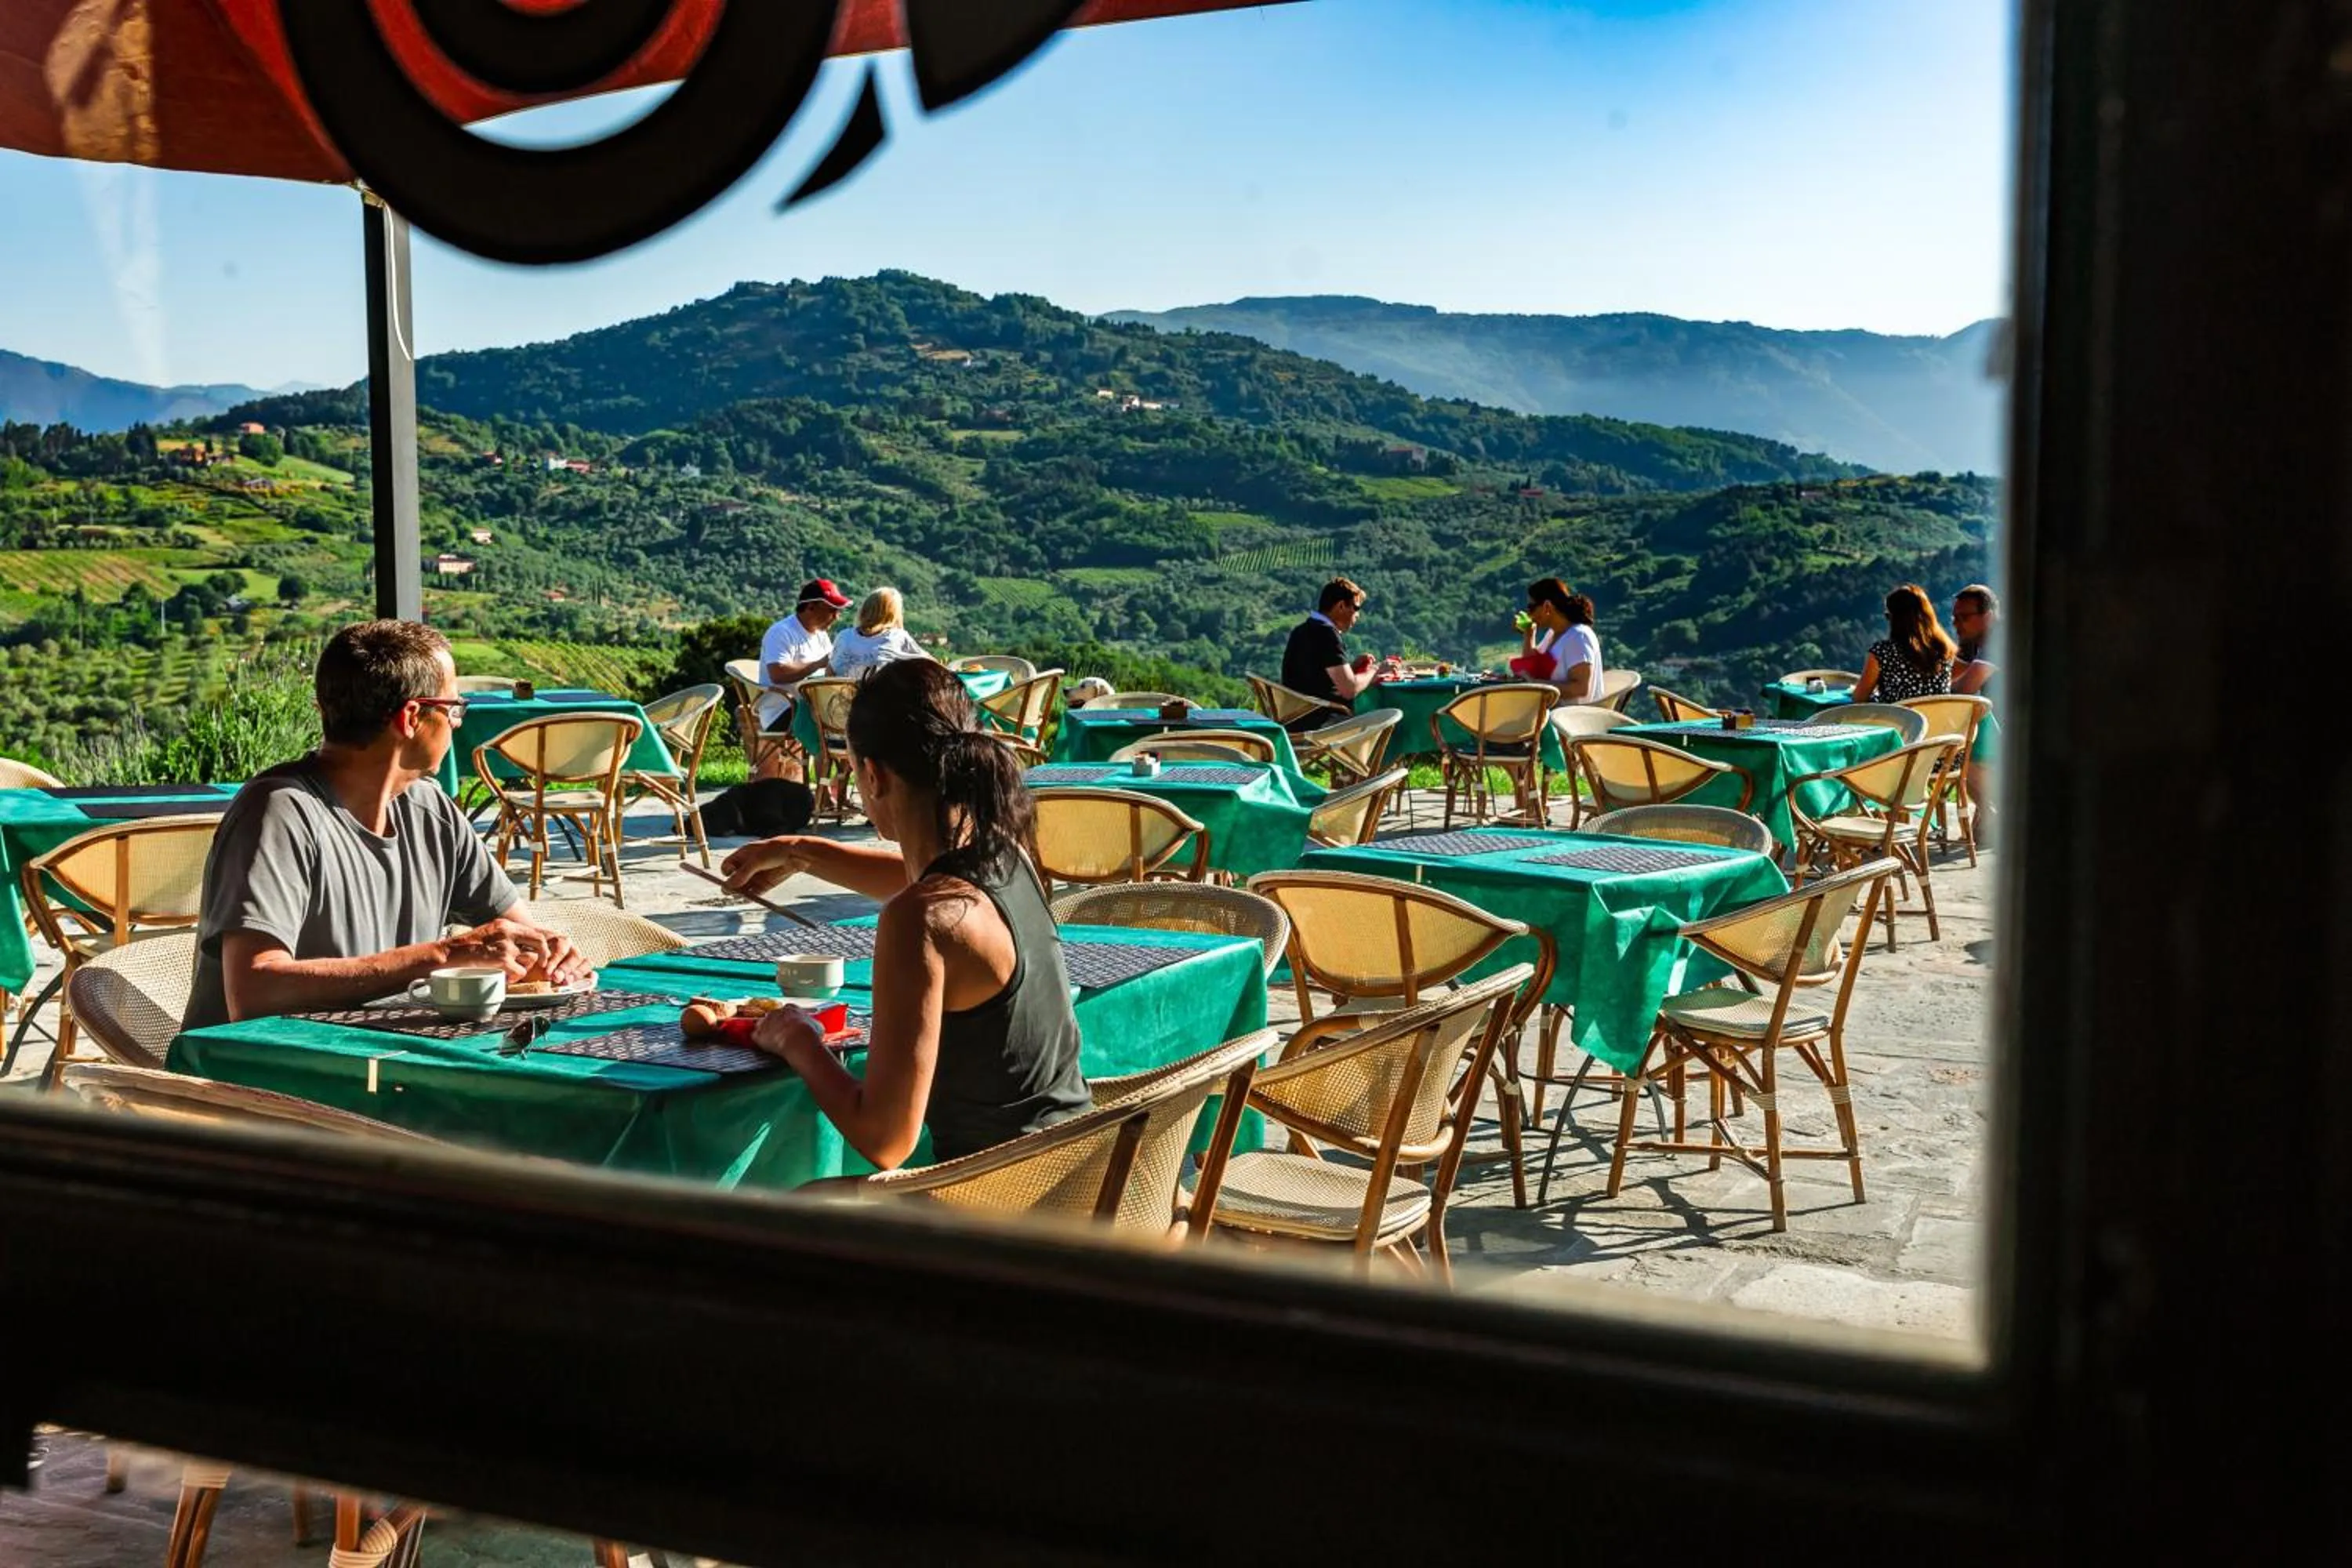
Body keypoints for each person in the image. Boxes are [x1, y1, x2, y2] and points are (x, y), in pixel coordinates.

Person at [720, 661, 1091, 1167]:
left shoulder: (919, 921)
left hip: (998, 1202)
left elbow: (886, 1140)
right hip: (1078, 1165)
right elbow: (927, 885)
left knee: (774, 1218)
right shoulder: (1006, 854)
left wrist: (799, 1041)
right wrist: (800, 850)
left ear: (872, 776)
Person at [183, 620, 589, 1031]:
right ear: (412, 717)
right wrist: (446, 955)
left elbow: (520, 936)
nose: (458, 723)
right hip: (264, 1079)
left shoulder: (432, 810)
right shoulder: (279, 812)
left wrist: (550, 956)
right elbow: (253, 993)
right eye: (454, 709)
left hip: (389, 1060)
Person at [753, 578, 851, 779]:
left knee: (852, 722)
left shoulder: (821, 635)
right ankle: (824, 796)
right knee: (828, 728)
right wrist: (816, 664)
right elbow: (777, 673)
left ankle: (834, 790)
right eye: (832, 610)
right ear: (811, 607)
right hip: (783, 709)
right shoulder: (781, 632)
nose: (837, 617)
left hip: (813, 705)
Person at [1279, 578, 1396, 723]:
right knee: (1389, 719)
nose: (1358, 615)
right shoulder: (1327, 635)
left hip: (1295, 718)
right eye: (1356, 608)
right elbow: (1349, 690)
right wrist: (1376, 670)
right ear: (1341, 606)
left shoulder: (1302, 630)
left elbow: (1316, 679)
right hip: (1321, 722)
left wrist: (1351, 669)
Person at [1951, 583, 2000, 846]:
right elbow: (1950, 672)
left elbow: (1966, 687)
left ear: (1988, 617)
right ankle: (1988, 815)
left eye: (1964, 617)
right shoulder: (1973, 642)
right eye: (1954, 617)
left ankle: (1992, 816)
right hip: (1990, 725)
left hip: (2015, 728)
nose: (1957, 623)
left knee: (1961, 752)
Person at [1852, 583, 1957, 702]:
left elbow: (1859, 697)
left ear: (1896, 619)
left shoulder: (1883, 653)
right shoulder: (1945, 650)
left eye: (1888, 616)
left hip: (1898, 719)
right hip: (1937, 719)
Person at [1519, 578, 1604, 702]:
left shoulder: (1579, 637)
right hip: (1550, 712)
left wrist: (1535, 684)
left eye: (1531, 608)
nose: (1529, 614)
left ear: (1547, 606)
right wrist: (1529, 634)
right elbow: (1532, 668)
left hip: (1569, 718)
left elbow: (1581, 689)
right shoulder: (1553, 633)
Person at [829, 586, 931, 679]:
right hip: (877, 698)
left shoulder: (844, 636)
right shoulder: (897, 637)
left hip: (838, 697)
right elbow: (932, 665)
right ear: (893, 614)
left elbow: (830, 673)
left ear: (865, 609)